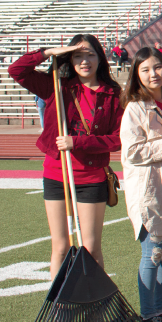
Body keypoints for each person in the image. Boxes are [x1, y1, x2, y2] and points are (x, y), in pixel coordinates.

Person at [8, 34, 123, 279]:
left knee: (90, 248)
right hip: (56, 173)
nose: (84, 61)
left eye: (90, 54)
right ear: (69, 60)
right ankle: (60, 309)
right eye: (77, 56)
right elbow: (16, 70)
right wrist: (49, 52)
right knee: (60, 247)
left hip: (91, 177)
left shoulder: (113, 93)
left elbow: (119, 138)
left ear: (100, 58)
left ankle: (95, 307)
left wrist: (78, 142)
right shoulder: (56, 86)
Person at [119, 47, 162, 322]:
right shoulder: (135, 108)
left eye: (157, 67)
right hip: (149, 190)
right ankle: (148, 315)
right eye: (145, 69)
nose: (153, 74)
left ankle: (161, 311)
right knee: (153, 253)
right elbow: (131, 152)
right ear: (136, 74)